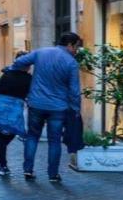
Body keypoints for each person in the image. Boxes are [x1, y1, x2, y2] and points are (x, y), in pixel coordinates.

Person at [11, 32, 82, 182]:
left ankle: (28, 170)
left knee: (32, 137)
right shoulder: (71, 63)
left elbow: (18, 62)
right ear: (69, 45)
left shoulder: (41, 52)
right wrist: (76, 109)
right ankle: (53, 174)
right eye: (76, 47)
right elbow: (74, 91)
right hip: (58, 107)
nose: (77, 50)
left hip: (36, 103)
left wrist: (23, 73)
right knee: (54, 141)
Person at [0, 52, 33, 176]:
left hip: (1, 108)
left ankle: (3, 166)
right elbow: (29, 94)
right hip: (14, 110)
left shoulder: (7, 73)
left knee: (2, 136)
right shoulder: (28, 78)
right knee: (11, 133)